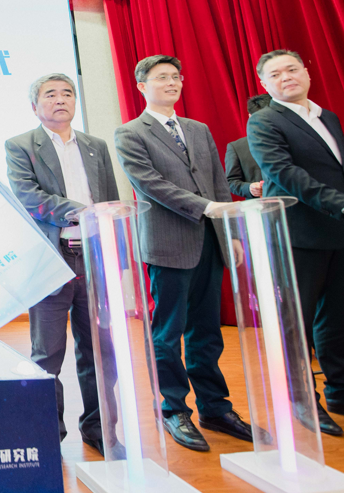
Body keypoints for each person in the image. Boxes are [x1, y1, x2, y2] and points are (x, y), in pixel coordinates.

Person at [248, 49, 344, 435]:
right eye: (275, 74)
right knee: (295, 323)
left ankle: (343, 392)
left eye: (292, 69)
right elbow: (283, 173)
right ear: (265, 84)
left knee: (337, 319)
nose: (286, 77)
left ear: (306, 73)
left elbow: (343, 176)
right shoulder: (263, 121)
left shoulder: (328, 117)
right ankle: (301, 399)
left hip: (339, 233)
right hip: (296, 235)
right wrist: (341, 204)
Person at [113, 55, 252, 451]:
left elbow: (219, 183)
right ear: (142, 86)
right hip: (168, 243)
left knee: (207, 331)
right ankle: (173, 409)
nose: (172, 83)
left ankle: (215, 407)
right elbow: (150, 184)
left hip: (210, 240)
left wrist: (229, 232)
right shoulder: (130, 133)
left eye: (176, 77)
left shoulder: (198, 129)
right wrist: (206, 207)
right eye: (162, 78)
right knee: (168, 332)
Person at [4, 73, 120, 456]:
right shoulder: (21, 145)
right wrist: (80, 211)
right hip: (52, 259)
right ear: (34, 106)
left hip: (94, 258)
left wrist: (114, 248)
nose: (60, 99)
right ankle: (48, 433)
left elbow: (110, 199)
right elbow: (28, 196)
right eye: (50, 94)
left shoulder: (95, 146)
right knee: (47, 354)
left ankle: (100, 429)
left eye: (67, 93)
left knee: (100, 351)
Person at [224, 94, 270, 199]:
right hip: (259, 205)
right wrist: (249, 188)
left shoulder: (292, 138)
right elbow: (230, 182)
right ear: (250, 117)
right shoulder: (236, 147)